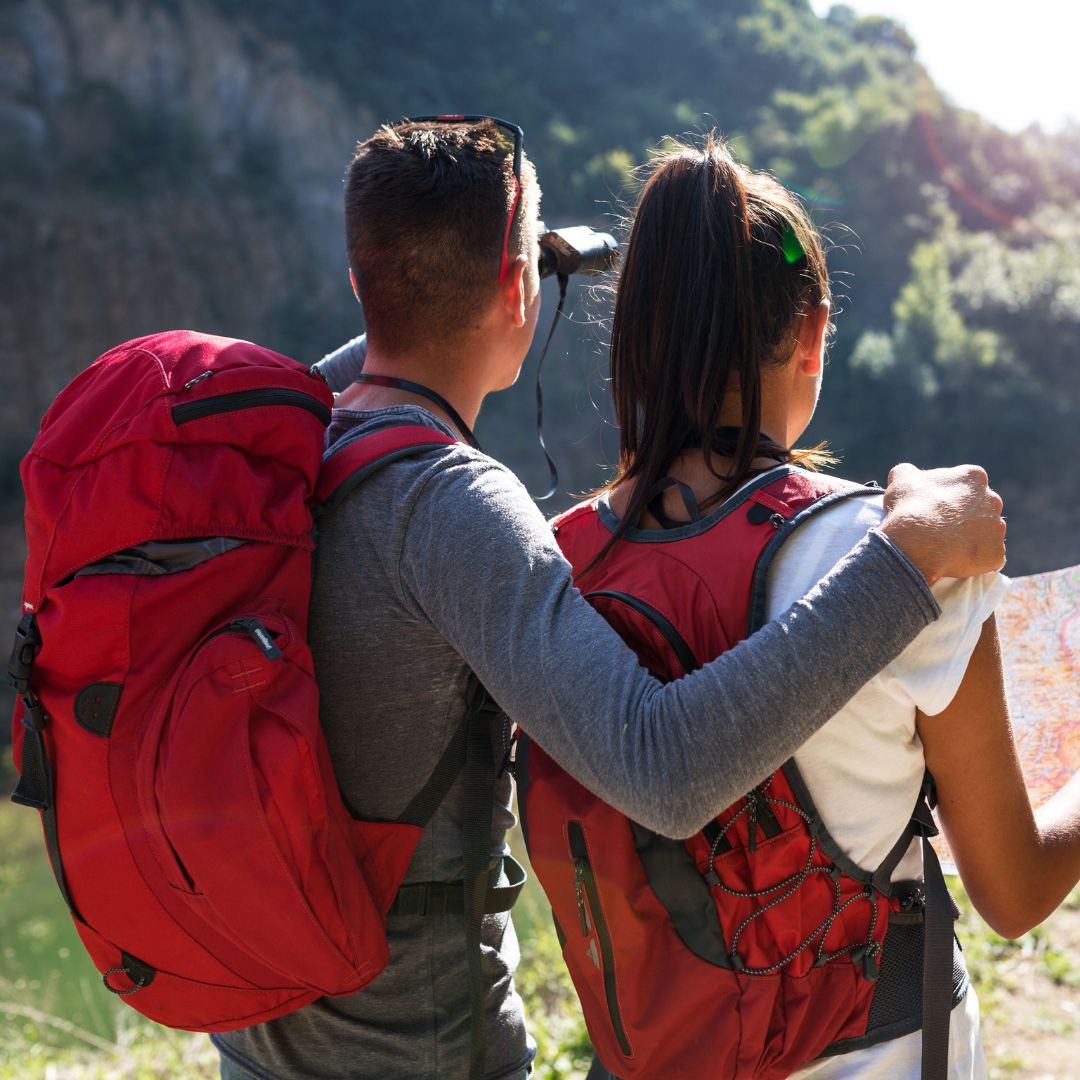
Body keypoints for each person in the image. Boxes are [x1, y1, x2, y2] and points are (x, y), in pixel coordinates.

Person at [212, 119, 1007, 1080]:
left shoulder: (284, 450)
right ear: (520, 287)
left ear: (359, 283)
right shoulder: (452, 505)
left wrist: (477, 282)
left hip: (253, 1027)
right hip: (413, 1050)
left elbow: (401, 333)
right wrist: (903, 562)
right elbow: (664, 770)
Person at [558, 134, 1080, 1079]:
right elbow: (1016, 891)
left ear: (635, 339)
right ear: (812, 332)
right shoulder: (914, 552)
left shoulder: (554, 564)